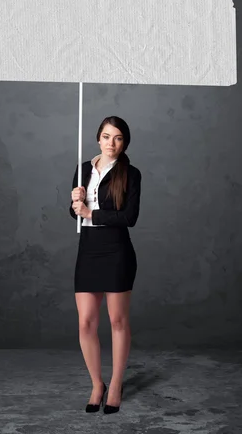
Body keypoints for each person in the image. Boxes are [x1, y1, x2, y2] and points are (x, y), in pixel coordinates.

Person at [69, 116, 142, 414]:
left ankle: (115, 384)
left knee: (117, 321)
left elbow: (130, 218)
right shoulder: (82, 169)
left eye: (118, 138)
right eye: (107, 136)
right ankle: (97, 383)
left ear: (125, 142)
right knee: (86, 321)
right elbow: (76, 214)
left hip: (116, 250)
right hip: (88, 250)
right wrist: (75, 201)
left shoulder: (131, 173)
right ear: (97, 138)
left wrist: (91, 212)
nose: (112, 144)